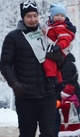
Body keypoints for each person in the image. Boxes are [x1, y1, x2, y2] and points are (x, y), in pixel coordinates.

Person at [0, 1, 56, 136]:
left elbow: (55, 59)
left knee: (49, 133)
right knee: (27, 133)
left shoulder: (45, 34)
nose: (33, 19)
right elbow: (5, 64)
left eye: (35, 15)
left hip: (48, 94)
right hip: (26, 96)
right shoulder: (13, 38)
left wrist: (60, 60)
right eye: (29, 16)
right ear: (23, 18)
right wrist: (14, 83)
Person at [42, 2, 76, 90]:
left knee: (49, 61)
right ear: (52, 16)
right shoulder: (50, 25)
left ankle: (51, 78)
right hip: (51, 47)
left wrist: (59, 46)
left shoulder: (61, 27)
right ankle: (59, 81)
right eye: (57, 15)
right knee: (55, 66)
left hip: (58, 49)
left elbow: (65, 39)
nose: (60, 17)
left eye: (62, 15)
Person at [54, 53, 80, 137]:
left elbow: (63, 82)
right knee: (74, 120)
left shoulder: (64, 65)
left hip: (65, 98)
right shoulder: (71, 64)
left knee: (60, 121)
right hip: (74, 97)